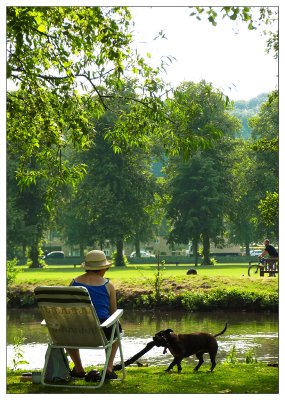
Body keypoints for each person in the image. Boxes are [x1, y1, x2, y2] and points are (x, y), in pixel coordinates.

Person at [66, 250, 121, 380]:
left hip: (75, 331)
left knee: (66, 330)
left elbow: (68, 309)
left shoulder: (74, 284)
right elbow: (113, 313)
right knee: (116, 328)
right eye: (106, 268)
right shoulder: (108, 285)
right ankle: (108, 368)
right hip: (100, 332)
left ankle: (79, 369)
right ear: (102, 269)